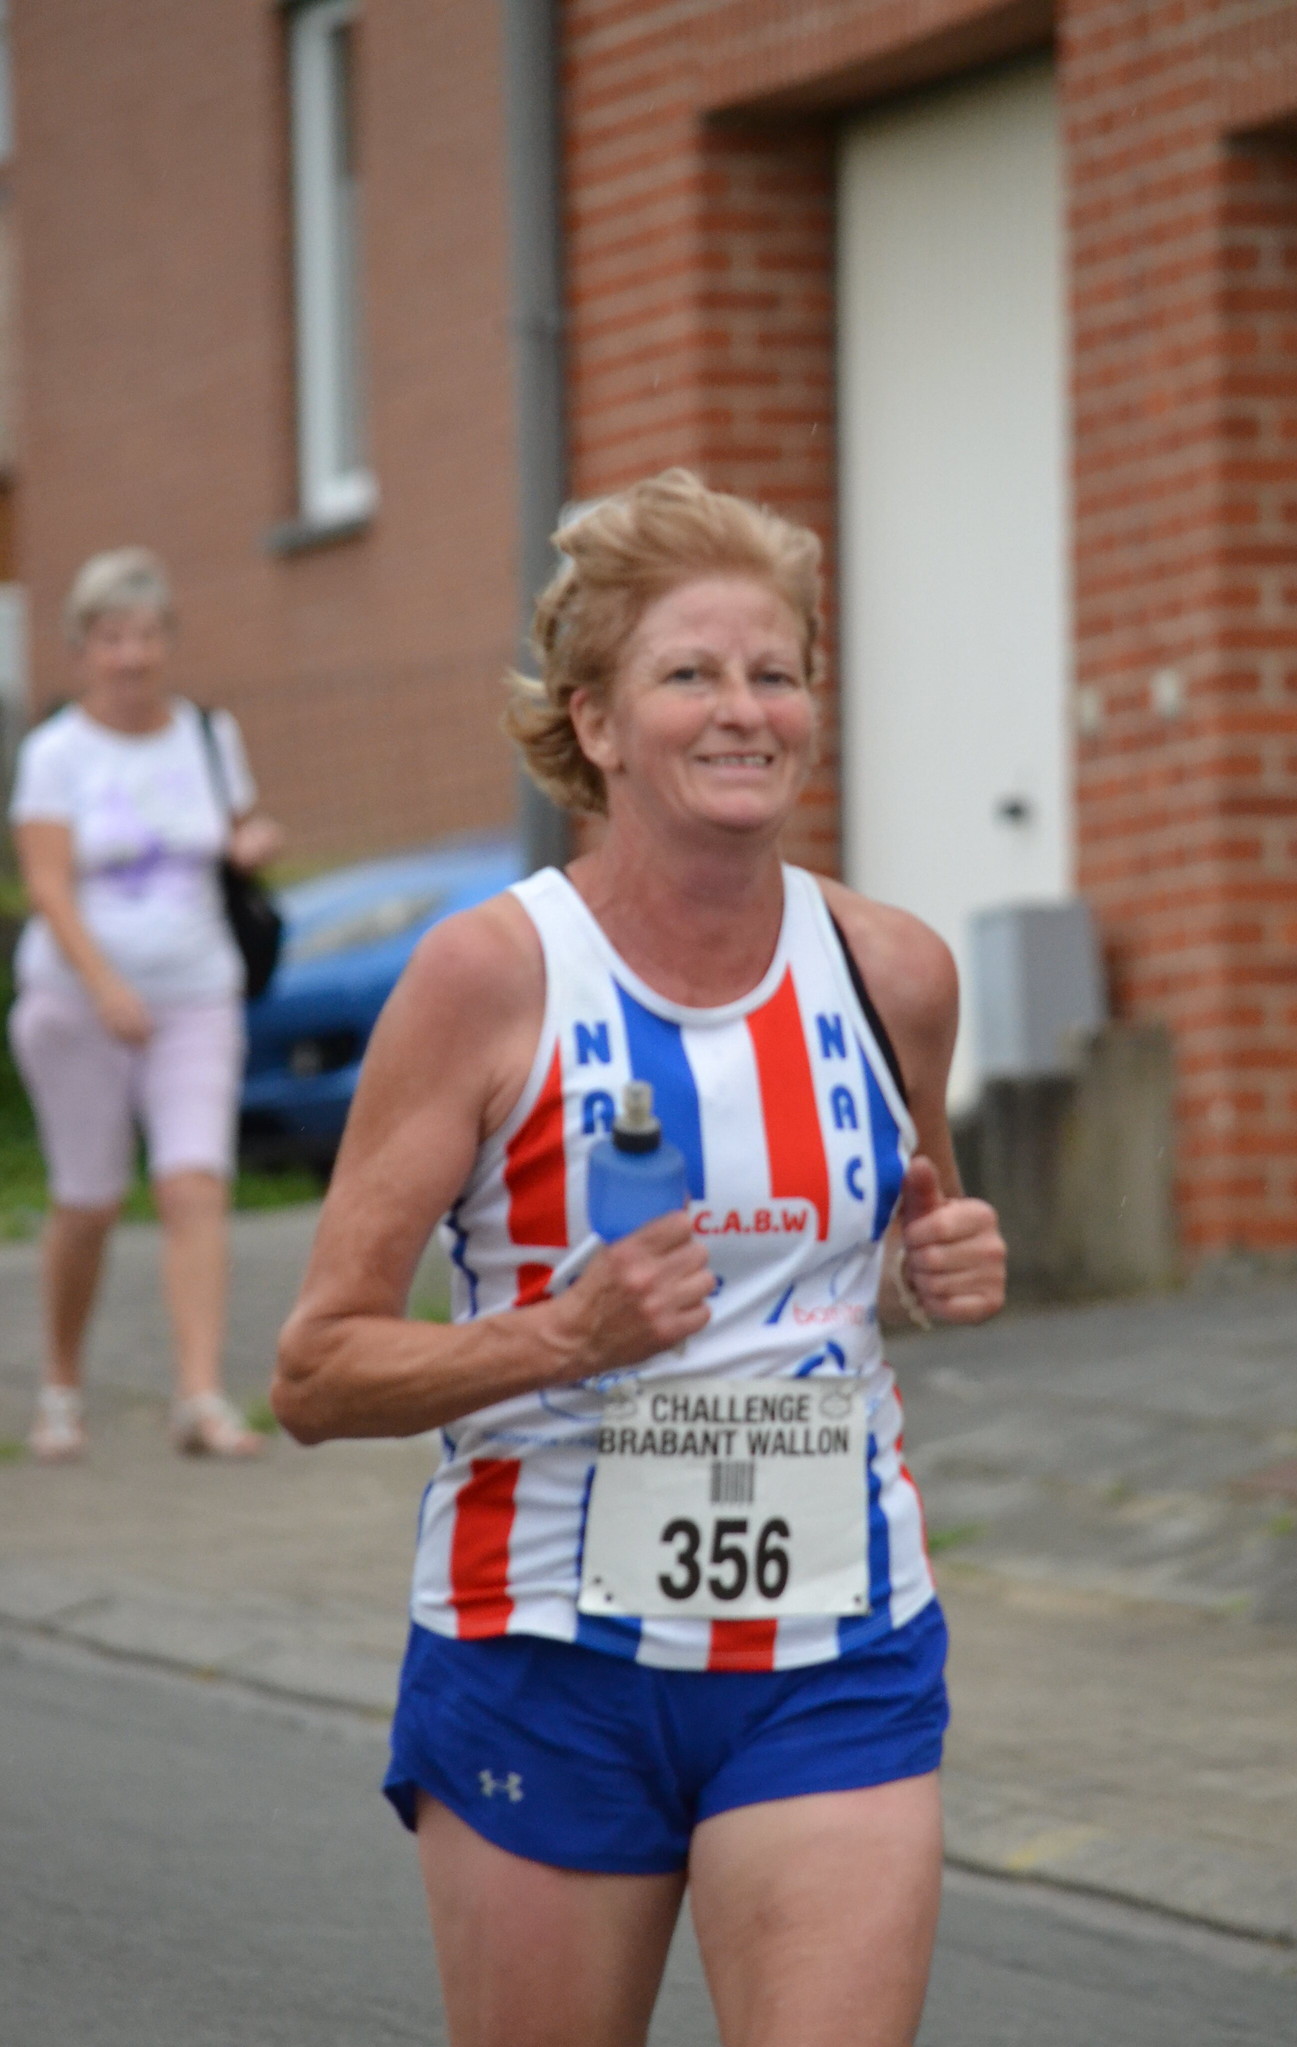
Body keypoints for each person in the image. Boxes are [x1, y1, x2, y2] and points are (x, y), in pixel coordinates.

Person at [273, 471, 1006, 2047]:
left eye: (775, 671)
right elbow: (316, 1369)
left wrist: (935, 1267)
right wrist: (561, 1336)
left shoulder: (893, 970)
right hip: (543, 1650)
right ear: (595, 721)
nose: (745, 709)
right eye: (691, 673)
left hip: (833, 1645)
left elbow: (897, 1237)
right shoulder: (487, 975)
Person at [8, 547, 283, 1461]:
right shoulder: (56, 753)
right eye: (111, 638)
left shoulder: (207, 732)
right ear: (81, 649)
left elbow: (229, 834)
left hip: (197, 992)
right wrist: (105, 985)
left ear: (168, 641)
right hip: (77, 1003)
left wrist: (248, 845)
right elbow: (48, 885)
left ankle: (199, 1396)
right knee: (88, 1203)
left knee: (194, 1186)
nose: (131, 655)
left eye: (146, 635)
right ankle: (60, 1389)